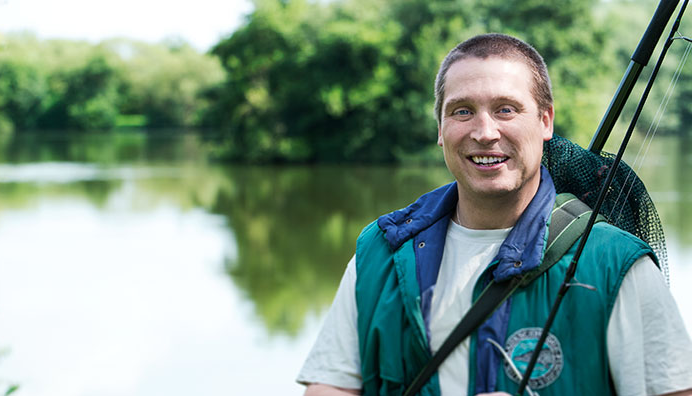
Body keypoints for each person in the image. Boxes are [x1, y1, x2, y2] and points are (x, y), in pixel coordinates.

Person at [296, 33, 692, 396]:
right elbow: (330, 387)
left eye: (506, 109)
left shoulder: (615, 262)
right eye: (462, 112)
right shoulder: (380, 250)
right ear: (440, 128)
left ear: (545, 121)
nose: (484, 132)